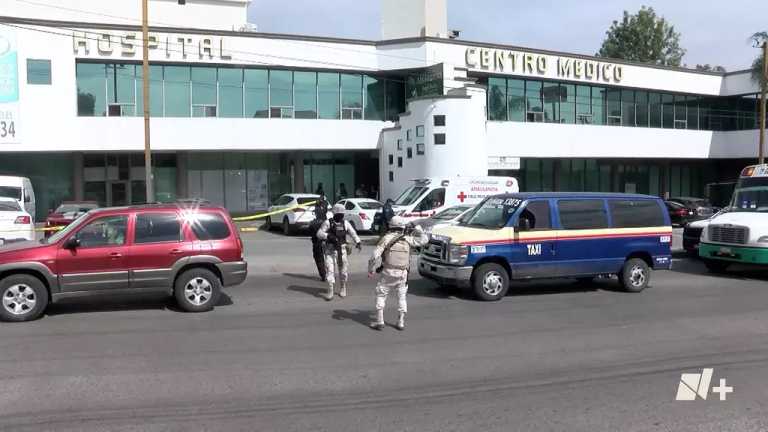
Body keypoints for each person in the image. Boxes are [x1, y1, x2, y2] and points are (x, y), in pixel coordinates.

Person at [367, 216, 428, 331]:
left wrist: (371, 269)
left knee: (381, 294)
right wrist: (419, 229)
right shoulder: (408, 239)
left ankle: (380, 321)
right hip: (403, 273)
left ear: (391, 226)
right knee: (401, 297)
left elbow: (374, 256)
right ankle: (400, 322)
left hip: (388, 272)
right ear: (402, 227)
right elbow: (425, 240)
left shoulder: (386, 238)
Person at [316, 203, 361, 301]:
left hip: (342, 250)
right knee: (330, 270)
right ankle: (330, 290)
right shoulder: (328, 223)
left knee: (343, 271)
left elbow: (353, 233)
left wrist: (358, 241)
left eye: (342, 214)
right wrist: (328, 236)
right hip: (330, 250)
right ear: (334, 214)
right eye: (339, 214)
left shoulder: (345, 223)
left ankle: (343, 287)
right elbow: (319, 233)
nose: (341, 216)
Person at [308, 195, 329, 281]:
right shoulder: (327, 222)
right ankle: (329, 273)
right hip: (327, 242)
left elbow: (309, 232)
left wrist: (319, 202)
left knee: (319, 258)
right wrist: (321, 201)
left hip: (317, 243)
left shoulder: (313, 223)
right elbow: (325, 206)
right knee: (328, 258)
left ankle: (323, 275)